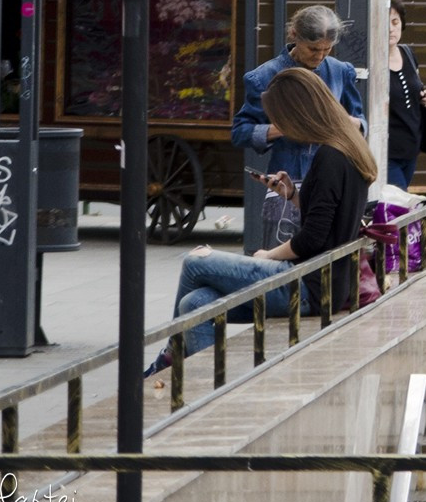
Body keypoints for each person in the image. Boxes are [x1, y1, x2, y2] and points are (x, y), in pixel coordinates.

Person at [152, 67, 377, 371]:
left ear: (300, 114)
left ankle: (170, 356)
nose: (281, 127)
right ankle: (204, 383)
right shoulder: (348, 147)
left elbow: (313, 238)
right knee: (194, 304)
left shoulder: (329, 158)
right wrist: (293, 196)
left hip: (309, 285)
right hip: (323, 281)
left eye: (282, 119)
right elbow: (332, 219)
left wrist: (268, 255)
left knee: (196, 261)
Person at [232, 5, 366, 182]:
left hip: (333, 176)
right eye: (313, 49)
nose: (319, 56)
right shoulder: (264, 77)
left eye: (327, 49)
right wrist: (284, 128)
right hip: (288, 179)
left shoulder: (340, 71)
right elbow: (240, 133)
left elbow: (361, 122)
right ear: (294, 34)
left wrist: (349, 123)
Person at [385, 0, 426, 188]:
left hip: (411, 149)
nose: (390, 29)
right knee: (400, 208)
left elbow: (416, 87)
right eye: (385, 22)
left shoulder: (408, 52)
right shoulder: (371, 61)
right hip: (386, 153)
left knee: (399, 207)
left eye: (395, 22)